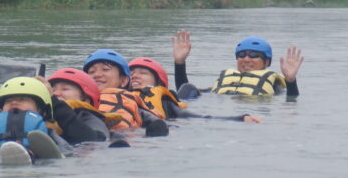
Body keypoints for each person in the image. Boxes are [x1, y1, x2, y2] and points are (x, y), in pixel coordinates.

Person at [131, 53, 263, 123]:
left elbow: (198, 117)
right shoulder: (117, 96)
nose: (135, 76)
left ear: (159, 83)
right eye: (131, 74)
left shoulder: (165, 103)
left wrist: (240, 118)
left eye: (143, 73)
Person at [172, 30, 303, 97]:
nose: (246, 59)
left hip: (255, 116)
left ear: (266, 62)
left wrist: (291, 81)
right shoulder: (224, 82)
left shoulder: (273, 85)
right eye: (241, 55)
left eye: (254, 55)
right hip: (223, 113)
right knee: (188, 88)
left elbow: (292, 99)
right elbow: (183, 92)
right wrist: (179, 63)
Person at [83, 48, 169, 136]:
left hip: (122, 135)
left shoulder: (132, 103)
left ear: (124, 81)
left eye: (105, 69)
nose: (97, 75)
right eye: (91, 72)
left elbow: (157, 125)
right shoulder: (80, 101)